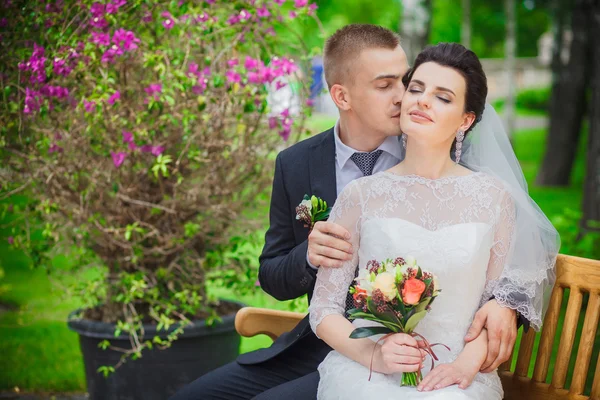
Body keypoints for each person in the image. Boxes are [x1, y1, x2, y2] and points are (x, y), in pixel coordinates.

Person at [170, 26, 527, 400]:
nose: (406, 97)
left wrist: (507, 305)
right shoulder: (297, 164)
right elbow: (273, 275)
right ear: (342, 95)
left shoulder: (449, 150)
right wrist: (308, 255)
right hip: (318, 345)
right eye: (386, 85)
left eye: (404, 81)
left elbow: (514, 254)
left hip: (428, 358)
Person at [309, 42, 559, 399]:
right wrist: (375, 355)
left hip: (457, 371)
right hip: (367, 373)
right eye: (416, 89)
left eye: (443, 97)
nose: (422, 100)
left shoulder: (493, 198)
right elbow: (323, 310)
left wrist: (466, 364)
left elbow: (496, 304)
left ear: (465, 120)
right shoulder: (360, 196)